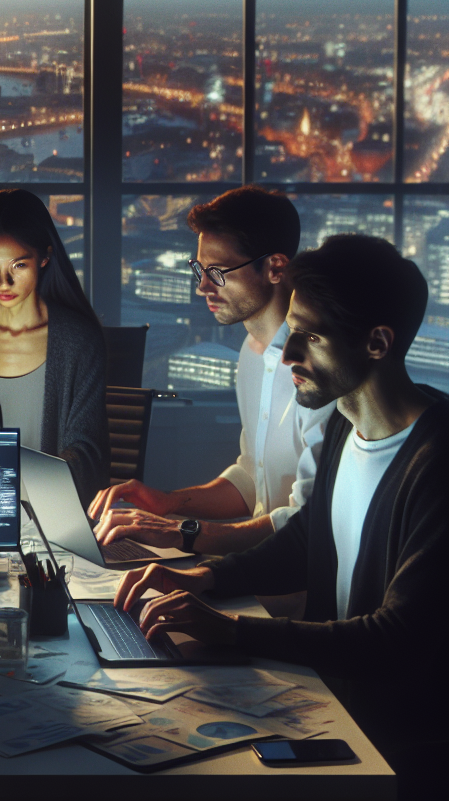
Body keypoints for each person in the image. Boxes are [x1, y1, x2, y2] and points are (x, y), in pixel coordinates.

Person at [113, 234, 447, 794]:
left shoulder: (436, 464)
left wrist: (234, 631)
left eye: (310, 336)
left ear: (377, 343)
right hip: (332, 706)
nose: (289, 355)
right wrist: (203, 576)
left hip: (392, 750)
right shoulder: (345, 420)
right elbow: (306, 542)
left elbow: (397, 638)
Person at [88, 186, 334, 554]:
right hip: (253, 575)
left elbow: (306, 519)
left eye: (218, 272)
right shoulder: (250, 355)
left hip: (302, 594)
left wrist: (183, 532)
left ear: (275, 267)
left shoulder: (320, 373)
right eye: (200, 269)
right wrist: (168, 503)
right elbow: (251, 477)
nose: (202, 285)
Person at [0, 189, 106, 504]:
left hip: (51, 517)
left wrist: (6, 478)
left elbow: (88, 455)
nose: (3, 282)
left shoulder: (78, 339)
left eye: (18, 266)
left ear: (45, 257)